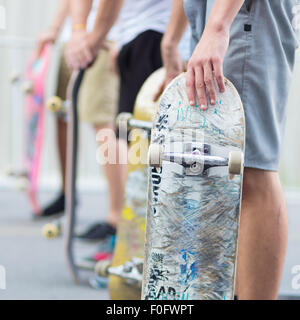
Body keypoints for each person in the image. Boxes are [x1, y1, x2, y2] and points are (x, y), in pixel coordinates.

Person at [156, 0, 299, 300]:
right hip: (212, 12)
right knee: (214, 174)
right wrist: (173, 38)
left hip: (246, 12)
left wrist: (218, 27)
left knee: (250, 171)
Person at [65, 0, 192, 240]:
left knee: (141, 149)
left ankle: (133, 242)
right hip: (148, 36)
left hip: (153, 37)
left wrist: (92, 41)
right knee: (142, 146)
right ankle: (134, 241)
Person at [35, 0, 120, 242]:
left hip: (101, 38)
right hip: (78, 37)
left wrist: (88, 35)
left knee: (106, 127)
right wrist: (60, 28)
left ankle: (117, 222)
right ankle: (67, 192)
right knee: (65, 116)